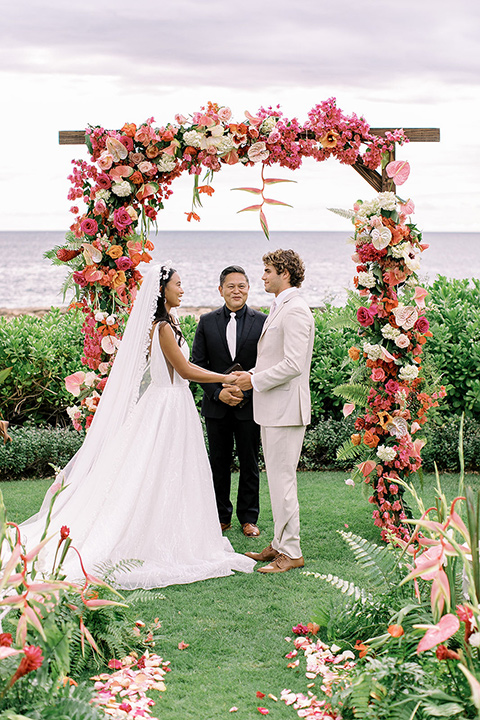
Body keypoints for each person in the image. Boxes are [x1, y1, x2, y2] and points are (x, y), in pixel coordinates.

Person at [20, 264, 255, 588]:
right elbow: (185, 369)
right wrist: (225, 377)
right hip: (166, 404)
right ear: (162, 291)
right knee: (153, 470)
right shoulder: (160, 326)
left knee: (176, 471)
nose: (182, 289)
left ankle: (174, 528)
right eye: (178, 284)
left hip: (176, 404)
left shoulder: (170, 322)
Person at [233, 249, 314, 574]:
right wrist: (250, 375)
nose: (263, 276)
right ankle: (279, 544)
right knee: (278, 481)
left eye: (267, 270)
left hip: (286, 409)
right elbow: (273, 359)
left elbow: (294, 364)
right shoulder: (281, 306)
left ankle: (291, 552)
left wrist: (254, 381)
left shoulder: (295, 311)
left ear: (285, 273)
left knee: (283, 481)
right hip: (274, 408)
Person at [191, 266, 266, 537]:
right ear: (220, 289)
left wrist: (244, 392)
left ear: (249, 288)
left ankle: (248, 518)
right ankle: (220, 517)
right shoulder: (207, 321)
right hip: (216, 407)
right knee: (218, 463)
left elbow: (266, 364)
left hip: (250, 405)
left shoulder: (262, 321)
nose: (237, 291)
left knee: (249, 463)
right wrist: (217, 392)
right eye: (231, 286)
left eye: (242, 286)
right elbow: (197, 365)